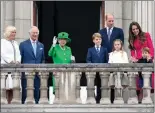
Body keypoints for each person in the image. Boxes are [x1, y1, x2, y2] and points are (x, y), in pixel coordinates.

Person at [99, 13, 124, 103]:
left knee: (115, 79)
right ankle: (101, 99)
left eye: (112, 21)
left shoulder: (119, 31)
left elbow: (121, 44)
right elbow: (100, 45)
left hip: (116, 57)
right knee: (103, 78)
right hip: (104, 58)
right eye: (109, 21)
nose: (111, 22)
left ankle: (114, 99)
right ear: (106, 21)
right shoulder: (101, 32)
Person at [128, 21, 154, 103]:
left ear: (139, 28)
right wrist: (133, 58)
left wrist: (150, 56)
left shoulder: (146, 35)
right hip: (139, 61)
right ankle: (140, 100)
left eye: (136, 28)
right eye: (133, 29)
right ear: (131, 30)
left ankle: (146, 99)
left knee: (148, 81)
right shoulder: (132, 39)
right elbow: (132, 52)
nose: (135, 30)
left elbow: (151, 47)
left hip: (147, 60)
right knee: (139, 81)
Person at [19, 26, 45, 104]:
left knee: (37, 93)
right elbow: (20, 59)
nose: (35, 34)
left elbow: (43, 59)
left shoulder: (41, 45)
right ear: (29, 33)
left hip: (38, 74)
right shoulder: (23, 44)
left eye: (36, 33)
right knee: (25, 93)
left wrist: (41, 69)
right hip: (26, 73)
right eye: (33, 32)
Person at [1, 25, 21, 104]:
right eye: (12, 32)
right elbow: (2, 53)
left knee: (13, 88)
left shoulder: (15, 43)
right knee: (6, 88)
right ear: (8, 33)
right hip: (6, 68)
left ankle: (11, 106)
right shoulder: (3, 42)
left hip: (15, 69)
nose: (14, 34)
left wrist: (18, 61)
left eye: (15, 32)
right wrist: (10, 61)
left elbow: (18, 54)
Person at [86, 33, 108, 103]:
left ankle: (99, 98)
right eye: (96, 39)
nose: (98, 41)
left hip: (102, 71)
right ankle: (92, 97)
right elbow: (88, 60)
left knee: (100, 85)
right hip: (93, 71)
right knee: (92, 85)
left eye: (99, 39)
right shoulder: (90, 50)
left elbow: (106, 60)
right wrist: (92, 67)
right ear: (93, 41)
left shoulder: (104, 49)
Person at [108, 39, 129, 103]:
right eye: (115, 45)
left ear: (121, 45)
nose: (117, 46)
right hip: (114, 73)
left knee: (123, 87)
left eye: (118, 44)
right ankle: (115, 100)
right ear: (113, 46)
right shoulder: (111, 54)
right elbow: (110, 63)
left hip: (122, 73)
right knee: (114, 86)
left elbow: (126, 63)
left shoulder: (124, 53)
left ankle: (124, 100)